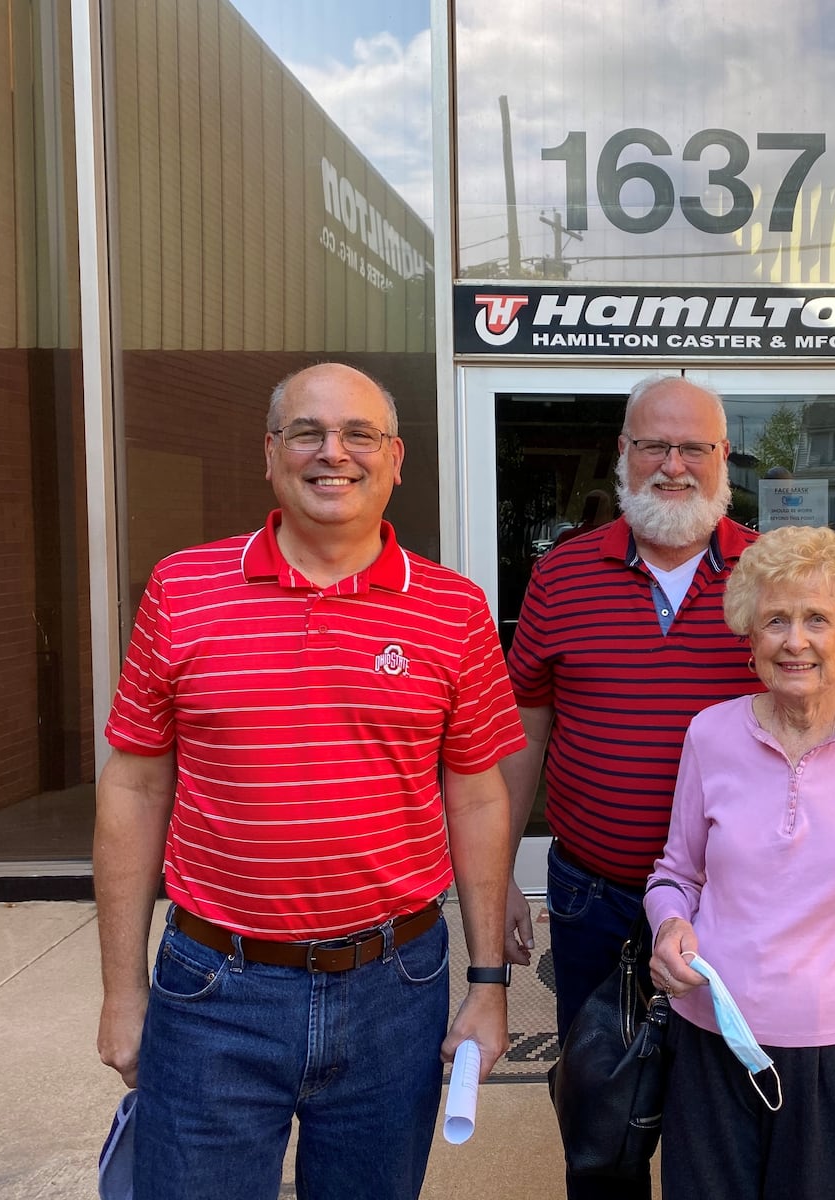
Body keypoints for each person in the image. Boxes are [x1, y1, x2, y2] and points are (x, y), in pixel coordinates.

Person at [93, 363, 525, 1200]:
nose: (335, 453)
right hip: (214, 986)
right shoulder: (182, 591)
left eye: (359, 434)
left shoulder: (454, 609)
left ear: (396, 459)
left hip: (396, 991)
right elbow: (134, 788)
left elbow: (477, 795)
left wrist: (487, 984)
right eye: (308, 433)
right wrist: (121, 991)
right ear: (270, 454)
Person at [501, 374, 762, 1199]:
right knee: (602, 1125)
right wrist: (500, 871)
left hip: (735, 906)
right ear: (623, 454)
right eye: (654, 444)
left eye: (694, 447)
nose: (673, 466)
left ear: (723, 458)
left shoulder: (771, 576)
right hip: (596, 902)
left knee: (719, 1128)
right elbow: (526, 730)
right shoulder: (562, 576)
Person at [646, 525, 835, 1199]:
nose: (795, 640)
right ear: (749, 637)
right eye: (776, 620)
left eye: (818, 620)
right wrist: (668, 924)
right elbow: (675, 874)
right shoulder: (711, 734)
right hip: (712, 1045)